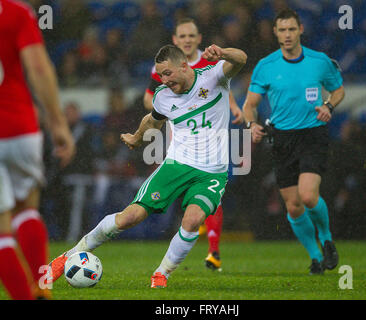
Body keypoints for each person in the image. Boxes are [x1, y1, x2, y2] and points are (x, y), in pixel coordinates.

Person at [46, 44, 247, 288]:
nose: (164, 80)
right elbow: (152, 120)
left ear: (184, 65)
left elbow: (241, 59)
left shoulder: (214, 77)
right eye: (160, 75)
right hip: (176, 166)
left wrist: (223, 53)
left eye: (168, 73)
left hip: (211, 172)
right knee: (130, 217)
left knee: (193, 221)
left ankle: (161, 274)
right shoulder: (163, 96)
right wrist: (137, 137)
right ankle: (66, 256)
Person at [242, 8, 345, 274]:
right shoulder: (266, 66)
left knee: (309, 196)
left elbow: (338, 90)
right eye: (282, 30)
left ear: (300, 30)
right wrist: (251, 124)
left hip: (312, 134)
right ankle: (314, 257)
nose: (287, 35)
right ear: (275, 33)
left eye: (291, 29)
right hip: (282, 139)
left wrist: (329, 106)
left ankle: (327, 240)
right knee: (293, 205)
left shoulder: (319, 61)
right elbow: (250, 104)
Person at [143, 17, 244, 271]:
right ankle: (180, 236)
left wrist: (233, 107)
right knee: (178, 195)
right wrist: (166, 109)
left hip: (213, 138)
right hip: (179, 139)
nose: (187, 40)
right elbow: (150, 101)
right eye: (182, 36)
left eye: (191, 36)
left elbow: (224, 83)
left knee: (212, 191)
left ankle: (212, 248)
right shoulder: (164, 70)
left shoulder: (208, 61)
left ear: (198, 39)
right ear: (175, 40)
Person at [0, 0, 75, 299]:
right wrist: (57, 123)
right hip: (19, 125)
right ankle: (42, 286)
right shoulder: (16, 13)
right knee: (26, 210)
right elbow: (38, 67)